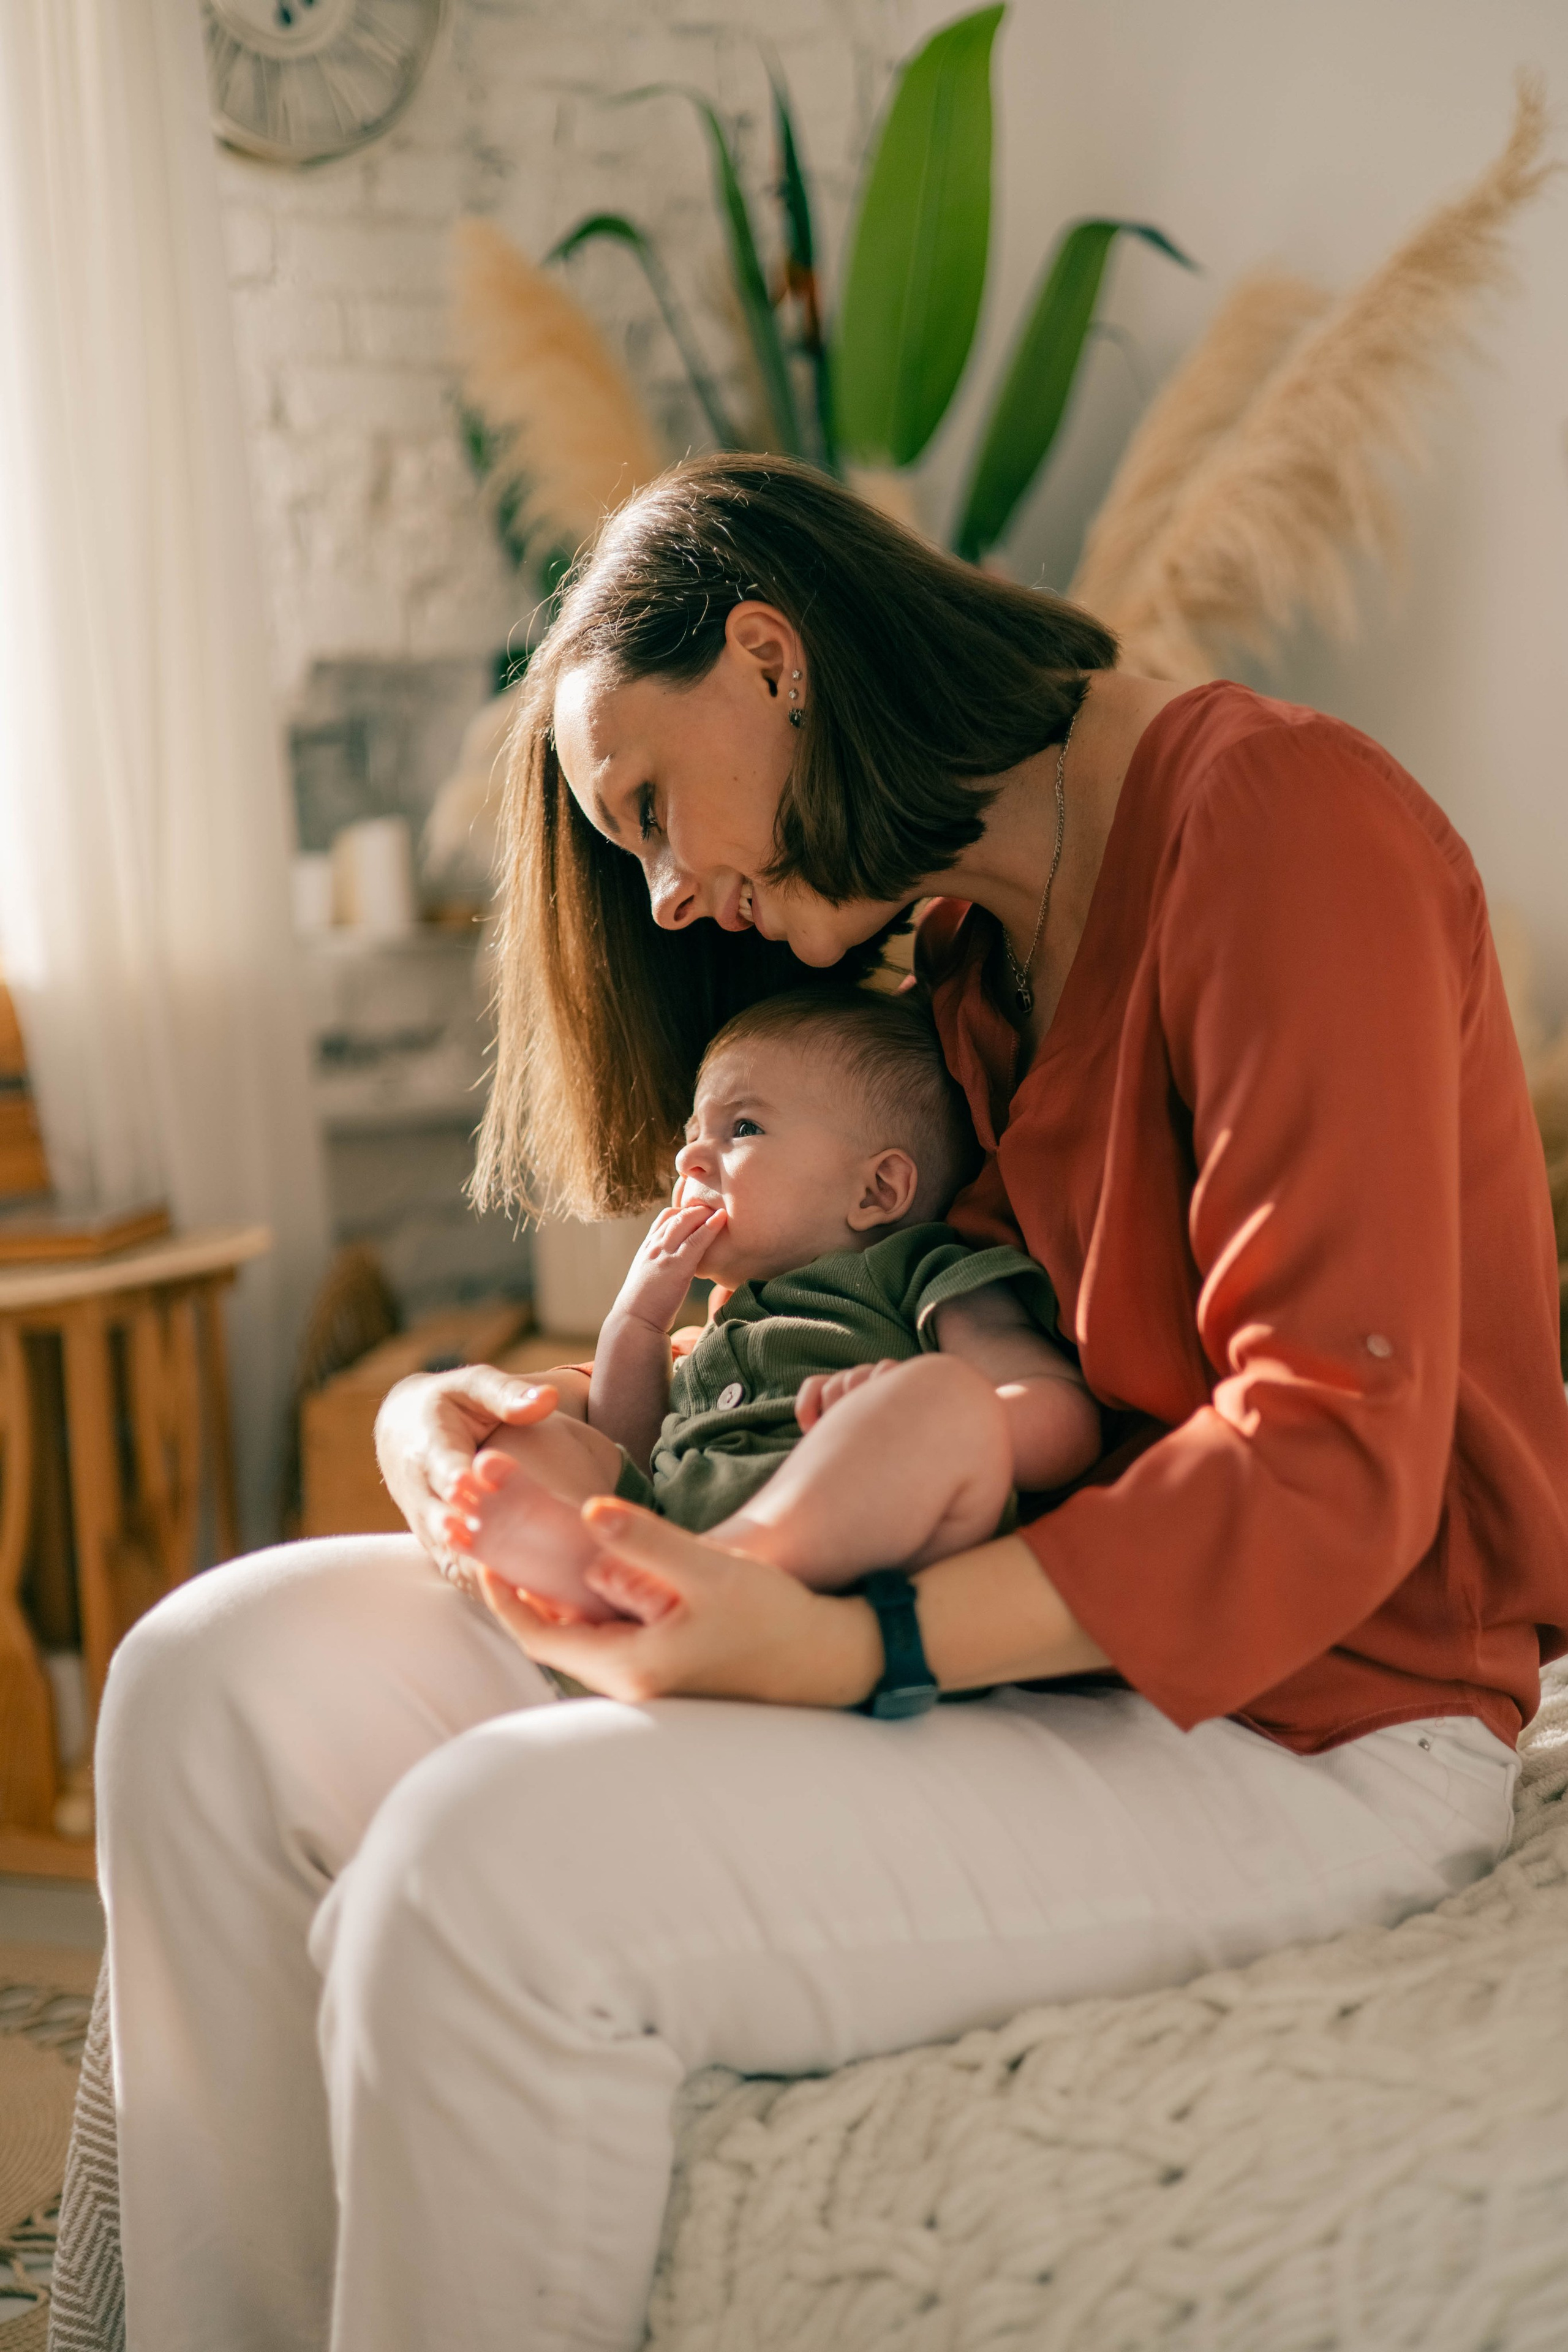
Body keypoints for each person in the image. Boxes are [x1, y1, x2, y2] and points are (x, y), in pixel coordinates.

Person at [97, 454, 1568, 2352]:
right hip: (1041, 1651)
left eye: (647, 807)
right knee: (208, 1682)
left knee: (481, 1871)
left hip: (1318, 1719)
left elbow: (1332, 1455)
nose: (665, 893)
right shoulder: (967, 958)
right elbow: (841, 1339)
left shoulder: (1288, 823)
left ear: (770, 658)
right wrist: (491, 1424)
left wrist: (853, 1640)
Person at [443, 987, 1099, 1618]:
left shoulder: (921, 1270)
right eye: (692, 1132)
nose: (689, 1157)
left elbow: (1063, 1419)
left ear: (876, 1190)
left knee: (946, 1397)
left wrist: (912, 1408)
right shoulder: (723, 1325)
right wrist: (636, 1322)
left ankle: (710, 1574)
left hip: (853, 1569)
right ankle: (592, 1570)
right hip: (673, 1532)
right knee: (534, 1434)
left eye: (743, 1128)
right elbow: (630, 1446)